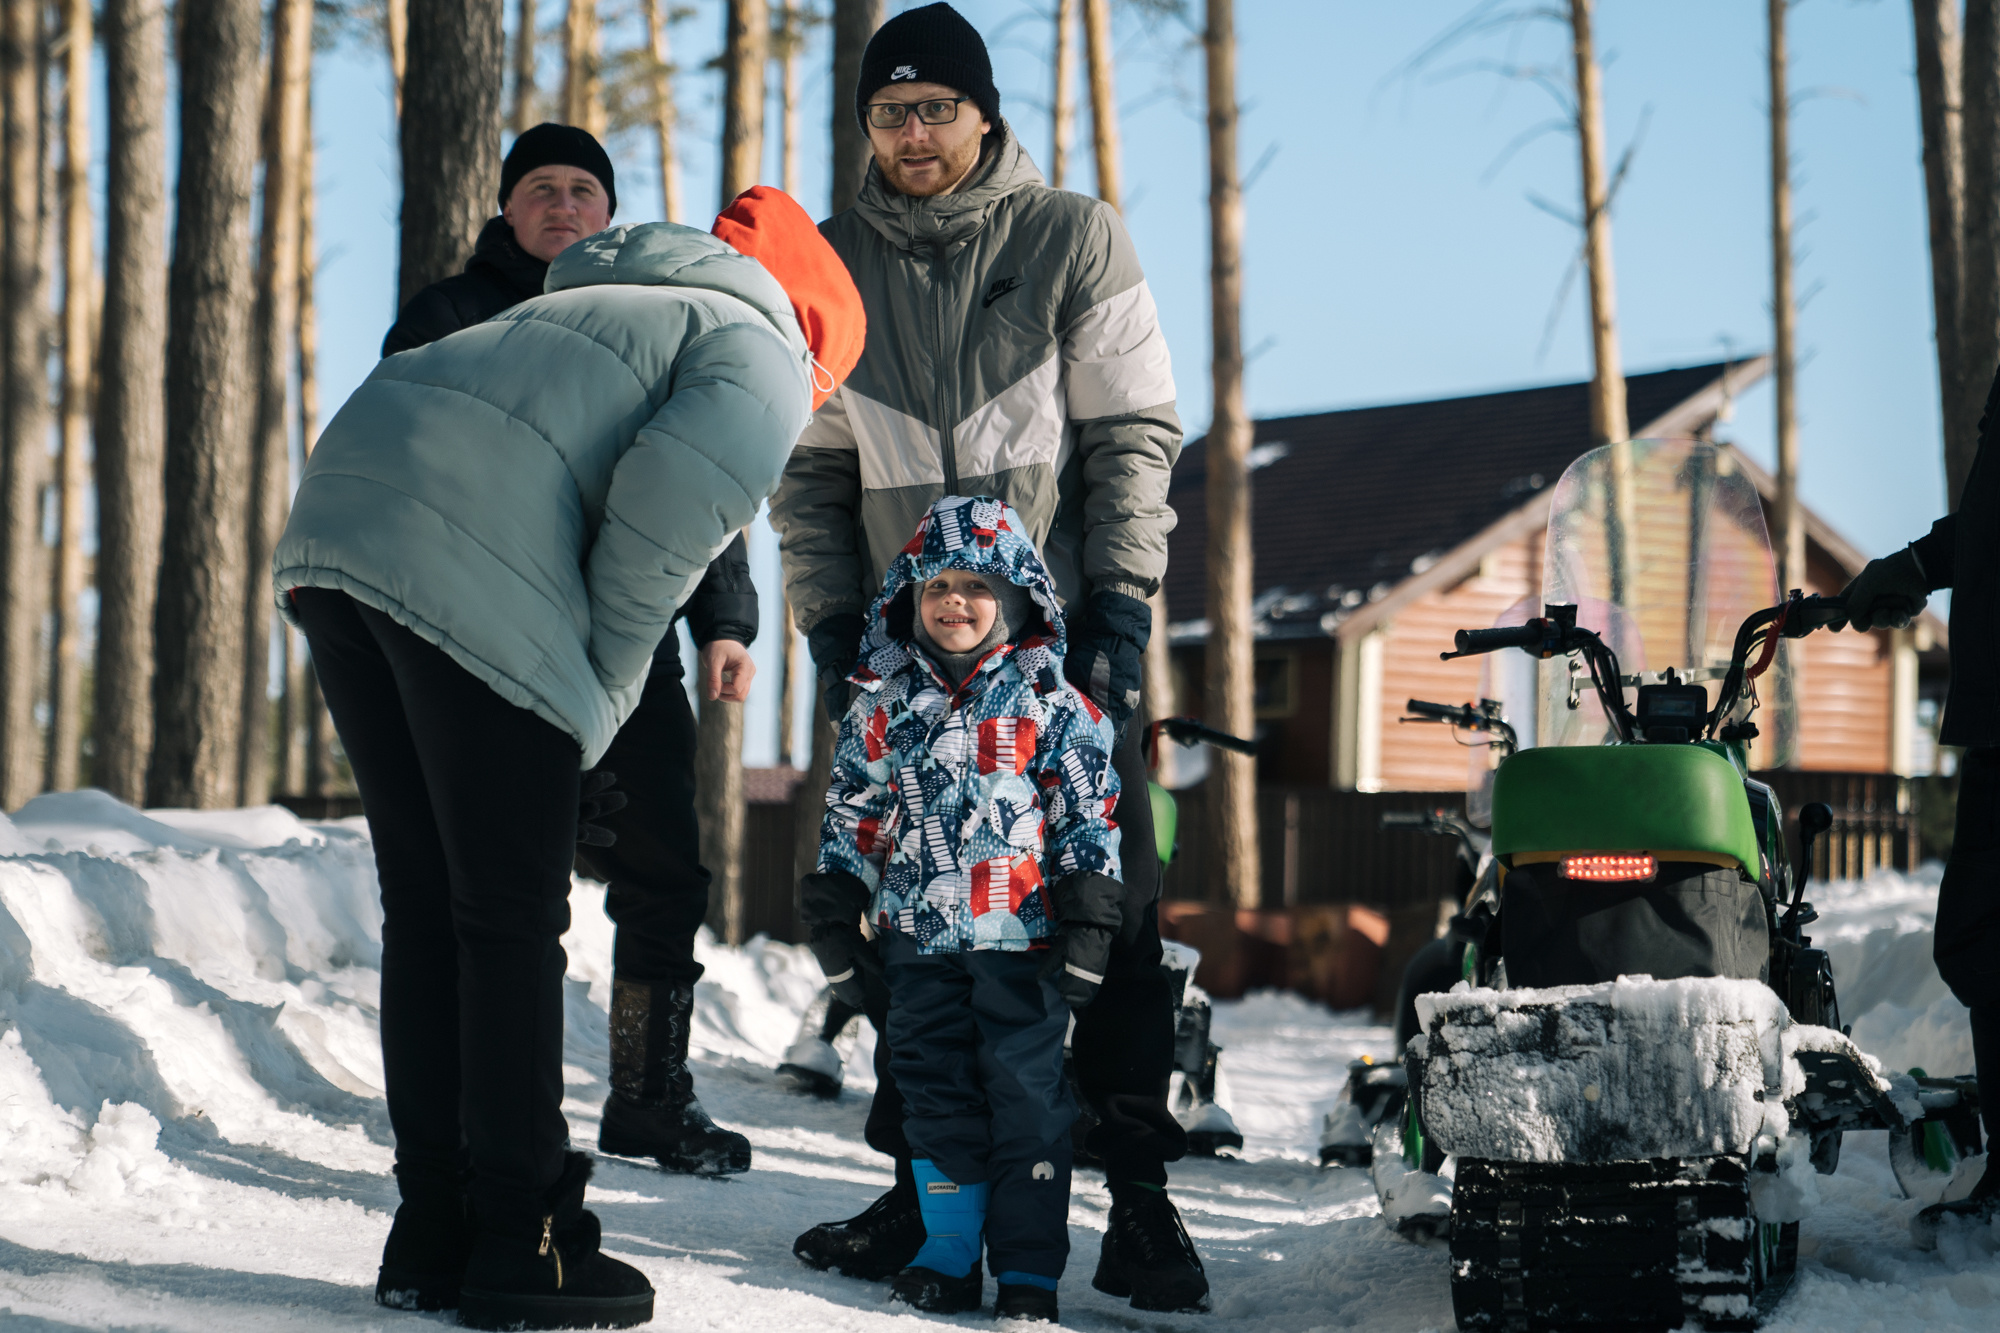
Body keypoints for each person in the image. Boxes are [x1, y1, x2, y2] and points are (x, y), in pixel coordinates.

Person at [275, 190, 862, 1328]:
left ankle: (432, 1227)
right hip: (461, 555)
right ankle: (523, 1239)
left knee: (431, 913)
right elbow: (662, 527)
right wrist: (593, 705)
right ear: (817, 327)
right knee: (506, 921)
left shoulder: (592, 308)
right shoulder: (760, 344)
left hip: (338, 522)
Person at [771, 2, 1207, 1313]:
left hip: (1059, 654)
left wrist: (1121, 607)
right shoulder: (832, 267)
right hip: (907, 673)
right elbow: (809, 474)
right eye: (890, 114)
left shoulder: (1072, 237)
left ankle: (1139, 1197)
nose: (914, 134)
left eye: (935, 109)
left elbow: (1134, 431)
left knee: (1110, 914)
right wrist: (833, 624)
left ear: (983, 113)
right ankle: (923, 1190)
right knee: (918, 937)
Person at [382, 122, 767, 1179]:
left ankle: (649, 1097)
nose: (561, 205)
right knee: (501, 889)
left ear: (609, 213)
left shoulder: (650, 315)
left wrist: (725, 617)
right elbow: (409, 454)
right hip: (488, 641)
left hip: (630, 642)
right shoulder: (448, 317)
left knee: (665, 876)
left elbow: (700, 472)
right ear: (504, 211)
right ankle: (497, 1112)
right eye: (539, 188)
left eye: (582, 189)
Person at [804, 496, 1123, 1324]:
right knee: (932, 1091)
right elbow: (855, 811)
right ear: (910, 594)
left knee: (1028, 1100)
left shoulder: (1052, 702)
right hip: (918, 943)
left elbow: (1087, 812)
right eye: (937, 583)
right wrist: (839, 902)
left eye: (977, 586)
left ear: (1016, 597)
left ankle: (1027, 1270)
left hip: (1025, 944)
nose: (954, 600)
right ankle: (949, 1253)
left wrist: (1091, 914)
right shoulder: (883, 701)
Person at [1838, 367, 1998, 1244]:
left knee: (1982, 929)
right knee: (1979, 933)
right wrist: (1919, 565)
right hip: (1992, 715)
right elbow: (1991, 517)